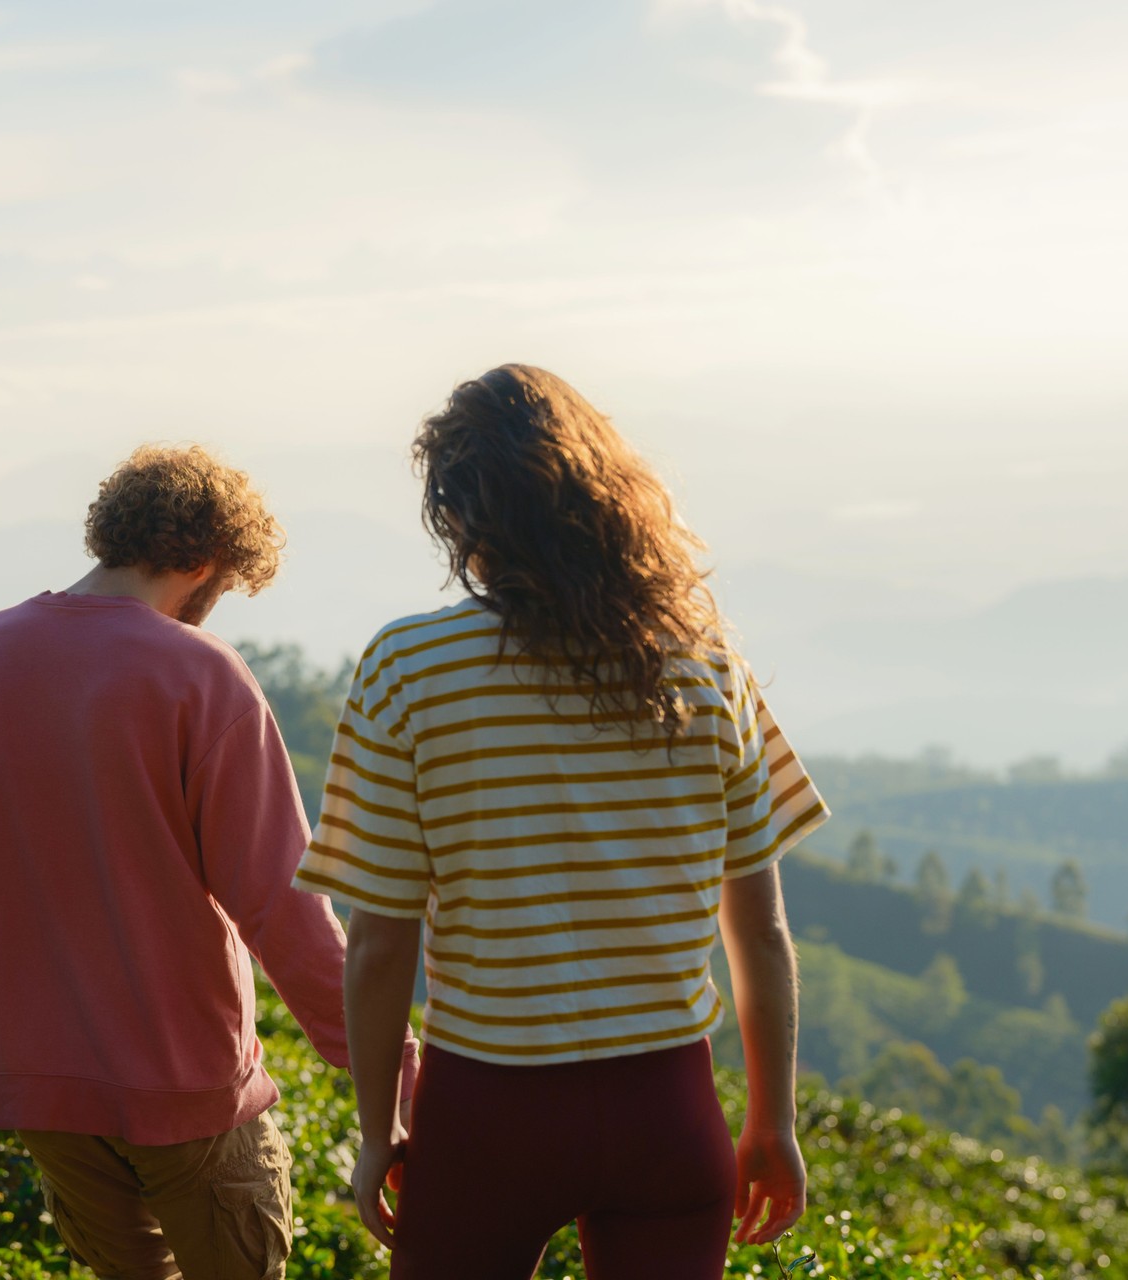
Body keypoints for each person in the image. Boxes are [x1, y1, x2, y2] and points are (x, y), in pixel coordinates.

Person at [294, 365, 827, 1280]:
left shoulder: (407, 669)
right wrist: (771, 1124)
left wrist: (379, 1127)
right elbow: (761, 934)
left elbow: (382, 940)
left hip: (486, 1113)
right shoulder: (706, 670)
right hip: (669, 1109)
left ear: (460, 517)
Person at [0, 444, 419, 1280]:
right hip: (186, 1086)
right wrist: (389, 1064)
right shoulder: (201, 673)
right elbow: (281, 907)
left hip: (36, 1085)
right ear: (209, 561)